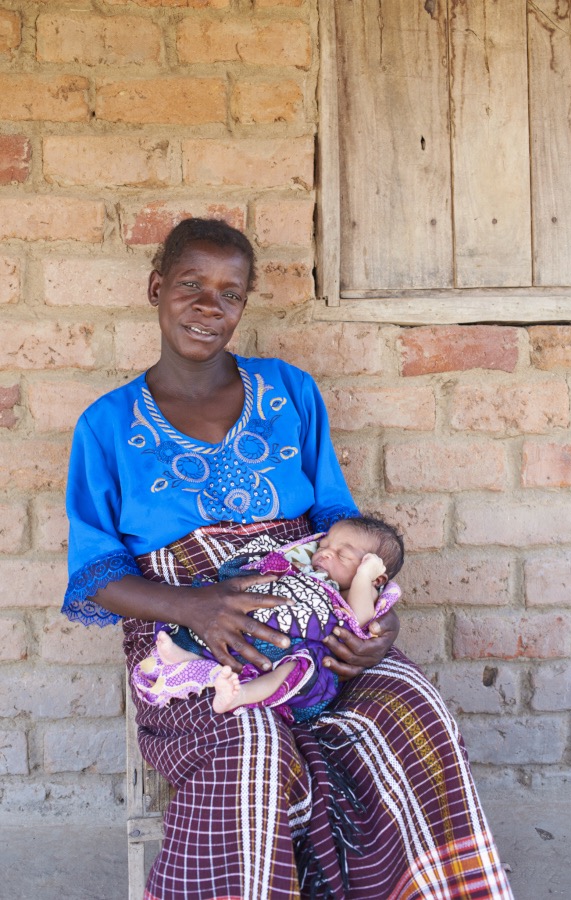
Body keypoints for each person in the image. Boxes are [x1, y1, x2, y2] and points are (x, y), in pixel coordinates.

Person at [62, 217, 513, 900]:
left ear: (244, 304)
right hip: (185, 630)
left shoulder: (290, 391)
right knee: (253, 748)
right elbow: (96, 572)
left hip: (314, 613)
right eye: (190, 286)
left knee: (411, 706)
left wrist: (373, 618)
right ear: (156, 288)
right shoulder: (107, 424)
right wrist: (196, 608)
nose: (209, 308)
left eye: (230, 294)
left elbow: (338, 522)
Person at [132, 515, 404, 721]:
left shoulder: (362, 590)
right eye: (324, 544)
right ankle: (185, 657)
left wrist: (364, 576)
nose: (324, 552)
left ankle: (242, 695)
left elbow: (360, 621)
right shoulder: (309, 569)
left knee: (299, 666)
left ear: (376, 576)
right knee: (212, 624)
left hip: (299, 649)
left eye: (342, 555)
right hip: (255, 627)